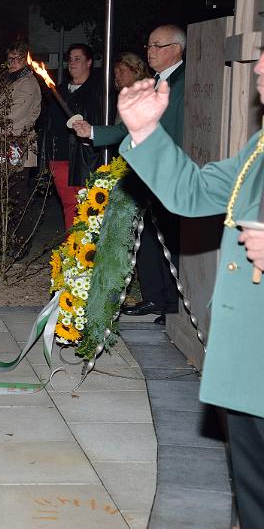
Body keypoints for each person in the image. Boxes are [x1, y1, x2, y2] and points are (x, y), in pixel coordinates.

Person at [117, 56, 264, 529]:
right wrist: (146, 132)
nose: (259, 64)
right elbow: (194, 192)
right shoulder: (260, 146)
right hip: (249, 365)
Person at [72, 26, 185, 324]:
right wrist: (92, 132)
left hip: (169, 172)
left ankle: (175, 308)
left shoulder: (185, 82)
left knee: (172, 241)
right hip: (146, 174)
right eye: (148, 45)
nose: (150, 51)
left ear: (176, 49)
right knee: (147, 237)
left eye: (157, 46)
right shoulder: (151, 84)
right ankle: (156, 298)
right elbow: (128, 128)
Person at [0, 41, 42, 246]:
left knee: (17, 196)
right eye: (10, 58)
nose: (12, 62)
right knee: (1, 197)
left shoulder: (28, 84)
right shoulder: (4, 82)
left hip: (16, 145)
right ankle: (4, 241)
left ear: (26, 60)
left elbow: (13, 115)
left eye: (17, 58)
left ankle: (21, 243)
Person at [42, 43, 105, 232]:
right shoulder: (59, 91)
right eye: (70, 59)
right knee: (70, 205)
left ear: (89, 62)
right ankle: (74, 245)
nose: (72, 63)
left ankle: (90, 244)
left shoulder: (97, 92)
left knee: (89, 205)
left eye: (77, 59)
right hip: (60, 157)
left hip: (86, 157)